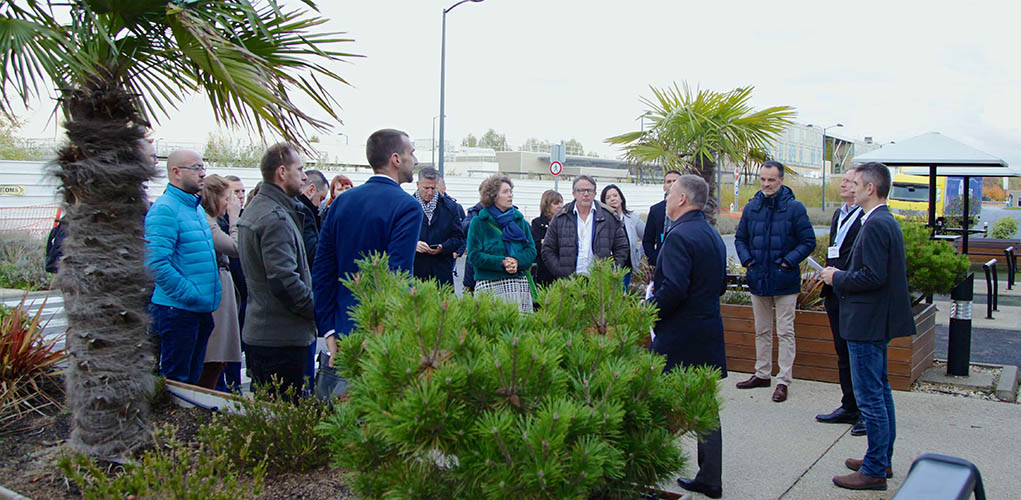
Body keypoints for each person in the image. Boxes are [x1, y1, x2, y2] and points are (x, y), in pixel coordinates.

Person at [822, 163, 914, 491]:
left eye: (856, 183)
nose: (851, 187)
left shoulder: (876, 224)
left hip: (866, 321)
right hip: (873, 319)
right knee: (879, 390)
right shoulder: (880, 220)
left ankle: (875, 468)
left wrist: (837, 277)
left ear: (870, 189)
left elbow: (873, 277)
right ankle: (880, 458)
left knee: (870, 395)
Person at [648, 175, 727, 500]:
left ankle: (650, 474)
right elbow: (719, 285)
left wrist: (646, 311)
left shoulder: (680, 236)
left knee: (654, 406)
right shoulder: (712, 234)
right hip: (707, 332)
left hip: (678, 337)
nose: (666, 198)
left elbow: (674, 289)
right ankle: (710, 478)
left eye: (670, 193)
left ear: (682, 199)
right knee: (705, 408)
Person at [313, 128, 423, 359]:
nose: (415, 160)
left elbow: (323, 267)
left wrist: (328, 328)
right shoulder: (407, 206)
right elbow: (398, 274)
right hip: (384, 333)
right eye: (411, 153)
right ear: (395, 159)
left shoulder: (342, 201)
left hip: (343, 325)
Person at [237, 143, 315, 398]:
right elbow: (284, 282)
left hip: (269, 336)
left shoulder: (264, 208)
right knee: (285, 421)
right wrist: (317, 311)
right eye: (300, 169)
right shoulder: (274, 217)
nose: (305, 176)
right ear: (282, 172)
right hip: (281, 341)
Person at [733, 160, 816, 402]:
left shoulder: (795, 208)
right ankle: (762, 373)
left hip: (785, 280)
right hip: (758, 278)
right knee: (762, 330)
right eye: (763, 179)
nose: (766, 184)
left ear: (781, 180)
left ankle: (783, 380)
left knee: (785, 331)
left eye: (771, 179)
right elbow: (740, 238)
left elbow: (808, 241)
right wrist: (748, 261)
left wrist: (787, 262)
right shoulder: (752, 207)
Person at [144, 150, 221, 384]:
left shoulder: (195, 208)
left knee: (193, 382)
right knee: (177, 384)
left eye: (203, 167)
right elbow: (155, 263)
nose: (203, 174)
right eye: (196, 168)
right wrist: (191, 295)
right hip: (177, 312)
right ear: (176, 172)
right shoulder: (165, 209)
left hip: (198, 311)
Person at [815, 170, 866, 435]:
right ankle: (849, 405)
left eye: (849, 181)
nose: (844, 184)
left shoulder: (867, 218)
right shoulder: (840, 214)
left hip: (853, 293)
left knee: (858, 356)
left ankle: (865, 411)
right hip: (834, 291)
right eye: (843, 180)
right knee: (842, 353)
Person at [196, 174, 243, 390]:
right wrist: (235, 220)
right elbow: (235, 248)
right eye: (226, 198)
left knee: (220, 356)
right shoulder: (208, 223)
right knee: (215, 355)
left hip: (223, 289)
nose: (229, 203)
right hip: (217, 294)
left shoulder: (209, 221)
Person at [467, 175, 537, 313]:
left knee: (519, 330)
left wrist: (517, 261)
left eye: (511, 191)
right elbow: (474, 255)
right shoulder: (479, 222)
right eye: (505, 192)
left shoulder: (520, 221)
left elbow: (531, 250)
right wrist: (502, 262)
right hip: (490, 284)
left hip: (518, 285)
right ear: (493, 196)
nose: (510, 195)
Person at [541, 175, 629, 279]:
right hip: (570, 283)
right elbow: (548, 249)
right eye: (581, 190)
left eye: (589, 190)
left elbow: (622, 247)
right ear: (574, 193)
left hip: (600, 282)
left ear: (595, 194)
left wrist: (610, 271)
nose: (586, 194)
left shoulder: (608, 217)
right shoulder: (561, 217)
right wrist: (560, 271)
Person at [412, 167, 464, 285]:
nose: (430, 192)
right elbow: (397, 237)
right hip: (415, 273)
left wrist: (443, 247)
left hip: (442, 274)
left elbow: (459, 238)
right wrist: (413, 244)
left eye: (433, 188)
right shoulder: (407, 206)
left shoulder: (450, 207)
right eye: (426, 188)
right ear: (417, 184)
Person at [601, 184, 646, 287]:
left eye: (615, 195)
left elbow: (648, 237)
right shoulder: (601, 220)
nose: (612, 199)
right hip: (606, 268)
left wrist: (638, 255)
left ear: (621, 198)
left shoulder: (633, 219)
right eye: (608, 198)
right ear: (604, 203)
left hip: (626, 268)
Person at [642, 170, 682, 268]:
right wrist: (655, 258)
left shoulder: (689, 208)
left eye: (675, 181)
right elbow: (647, 240)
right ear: (664, 187)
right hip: (662, 265)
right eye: (669, 182)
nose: (672, 184)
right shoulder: (656, 210)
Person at [295, 169, 328, 268]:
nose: (319, 205)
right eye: (321, 198)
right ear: (311, 190)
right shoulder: (305, 214)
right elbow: (313, 254)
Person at [530, 190, 563, 286]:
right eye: (556, 203)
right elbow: (536, 245)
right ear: (547, 205)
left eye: (561, 202)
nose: (560, 206)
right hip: (544, 271)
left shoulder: (566, 222)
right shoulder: (537, 223)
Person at [461, 185, 485, 293]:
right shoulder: (474, 211)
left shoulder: (509, 212)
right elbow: (463, 228)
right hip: (473, 269)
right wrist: (478, 222)